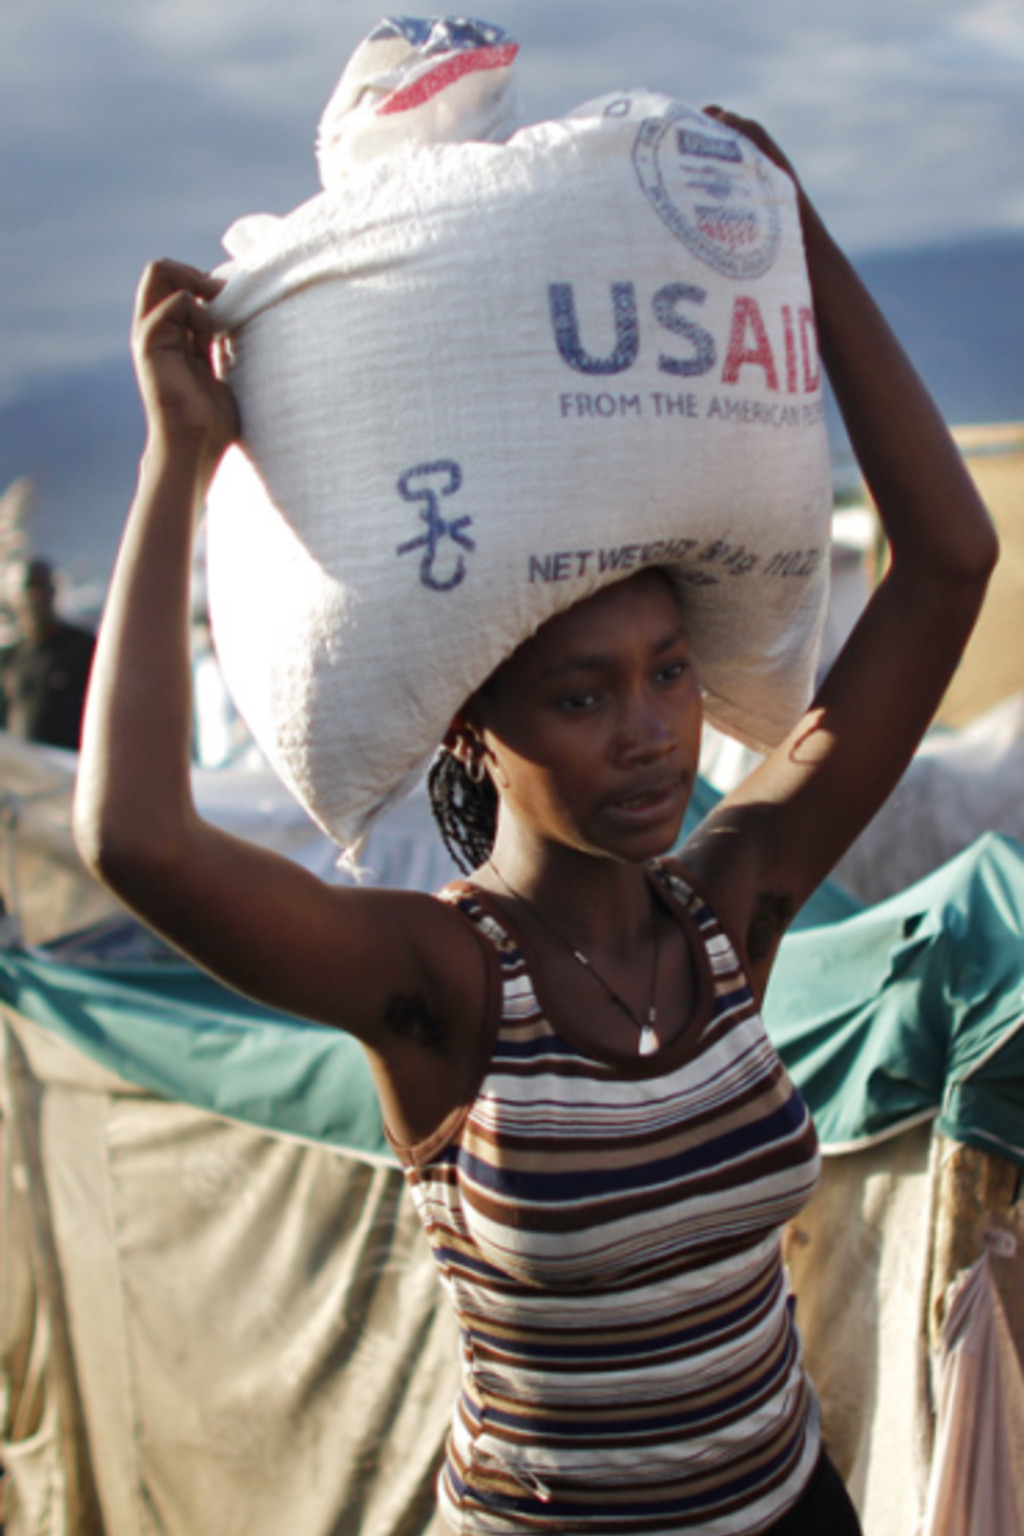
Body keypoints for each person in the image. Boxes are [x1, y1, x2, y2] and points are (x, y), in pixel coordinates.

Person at [72, 109, 996, 1536]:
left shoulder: (733, 904)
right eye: (580, 694)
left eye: (670, 675)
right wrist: (175, 458)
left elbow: (948, 562)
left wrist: (790, 233)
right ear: (471, 727)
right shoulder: (441, 989)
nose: (649, 732)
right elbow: (137, 839)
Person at [0, 557, 96, 749]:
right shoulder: (9, 659)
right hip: (27, 771)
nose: (35, 597)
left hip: (70, 766)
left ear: (53, 591)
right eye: (28, 589)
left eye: (41, 587)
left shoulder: (84, 650)